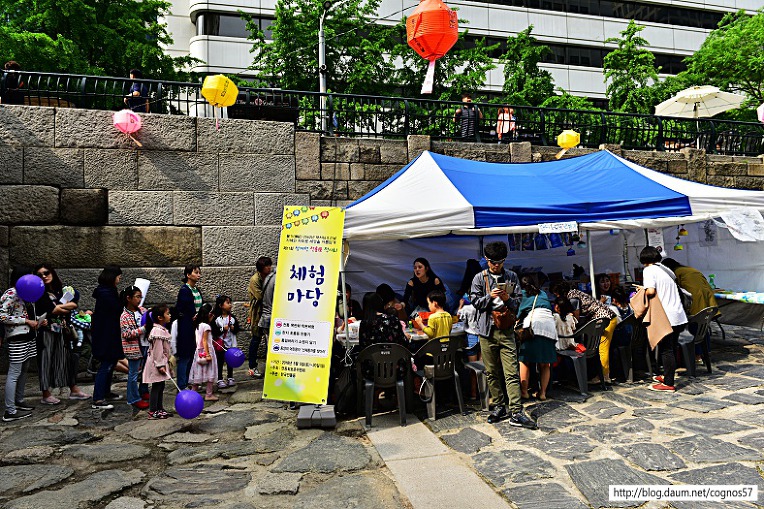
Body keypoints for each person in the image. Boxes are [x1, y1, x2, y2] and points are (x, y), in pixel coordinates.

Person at [469, 241, 536, 428]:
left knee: (511, 372)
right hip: (486, 331)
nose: (495, 265)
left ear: (504, 260)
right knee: (491, 372)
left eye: (499, 262)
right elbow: (474, 301)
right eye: (492, 262)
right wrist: (489, 297)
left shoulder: (512, 276)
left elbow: (519, 303)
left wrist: (507, 298)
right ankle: (499, 406)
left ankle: (516, 411)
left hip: (506, 330)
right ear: (486, 259)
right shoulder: (479, 278)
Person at [33, 263, 90, 404]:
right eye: (40, 275)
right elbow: (53, 310)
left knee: (65, 360)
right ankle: (46, 394)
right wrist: (61, 307)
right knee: (45, 361)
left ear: (52, 273)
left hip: (62, 330)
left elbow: (73, 305)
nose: (44, 276)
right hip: (46, 331)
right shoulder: (39, 292)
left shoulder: (60, 290)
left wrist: (59, 307)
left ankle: (73, 389)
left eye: (46, 273)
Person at [550, 280, 618, 384]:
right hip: (606, 317)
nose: (557, 296)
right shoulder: (575, 293)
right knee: (601, 347)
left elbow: (576, 317)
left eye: (556, 294)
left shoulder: (572, 298)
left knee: (602, 347)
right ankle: (602, 375)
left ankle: (604, 376)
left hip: (606, 318)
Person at [640, 247, 687, 392]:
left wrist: (641, 291)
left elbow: (651, 291)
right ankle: (667, 375)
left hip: (666, 316)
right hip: (678, 314)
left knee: (667, 350)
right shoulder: (666, 270)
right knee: (671, 347)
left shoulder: (649, 270)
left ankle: (668, 383)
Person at [1, 267, 40, 421]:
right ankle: (10, 411)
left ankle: (19, 400)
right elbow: (2, 316)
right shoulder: (11, 293)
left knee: (24, 370)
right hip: (17, 337)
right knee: (14, 372)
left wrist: (37, 321)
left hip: (28, 336)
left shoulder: (26, 294)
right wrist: (26, 321)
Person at [516, 276, 558, 401]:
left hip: (534, 327)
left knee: (524, 360)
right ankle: (543, 393)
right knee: (545, 364)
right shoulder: (543, 293)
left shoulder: (523, 294)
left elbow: (518, 314)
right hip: (549, 327)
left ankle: (524, 392)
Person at [91, 266, 125, 410]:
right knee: (105, 365)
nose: (119, 279)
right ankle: (98, 398)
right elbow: (116, 309)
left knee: (111, 363)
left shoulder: (108, 291)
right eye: (118, 276)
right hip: (105, 334)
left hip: (109, 332)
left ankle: (106, 392)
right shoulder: (106, 293)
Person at [120, 286, 149, 412]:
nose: (139, 299)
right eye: (137, 297)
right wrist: (143, 329)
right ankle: (133, 398)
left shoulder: (142, 310)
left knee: (145, 371)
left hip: (145, 344)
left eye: (140, 297)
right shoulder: (124, 316)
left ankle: (144, 390)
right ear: (129, 298)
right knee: (133, 374)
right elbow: (126, 334)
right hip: (133, 348)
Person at [143, 304, 173, 420]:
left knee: (161, 385)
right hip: (156, 363)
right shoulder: (157, 331)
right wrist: (160, 365)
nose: (170, 315)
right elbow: (157, 350)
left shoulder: (161, 330)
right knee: (156, 386)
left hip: (161, 361)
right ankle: (153, 410)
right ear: (160, 317)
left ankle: (160, 408)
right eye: (167, 314)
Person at [176, 265, 202, 390]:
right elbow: (182, 309)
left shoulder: (196, 289)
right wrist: (191, 315)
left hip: (195, 326)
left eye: (199, 272)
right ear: (188, 275)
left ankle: (189, 380)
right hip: (186, 326)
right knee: (185, 356)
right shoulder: (184, 290)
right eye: (196, 272)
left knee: (192, 354)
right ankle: (182, 384)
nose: (198, 275)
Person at [247, 256, 272, 379]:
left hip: (269, 312)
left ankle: (271, 367)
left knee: (270, 341)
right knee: (256, 340)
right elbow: (260, 296)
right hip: (258, 313)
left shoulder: (271, 276)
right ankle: (252, 367)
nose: (270, 268)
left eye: (270, 265)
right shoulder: (255, 280)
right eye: (267, 266)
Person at [189, 303, 219, 401]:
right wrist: (208, 354)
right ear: (209, 314)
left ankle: (193, 393)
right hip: (207, 350)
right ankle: (208, 394)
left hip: (198, 352)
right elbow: (204, 341)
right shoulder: (207, 326)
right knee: (210, 372)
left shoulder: (198, 325)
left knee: (198, 372)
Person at [212, 294, 240, 389]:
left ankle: (230, 377)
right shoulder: (216, 319)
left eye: (230, 303)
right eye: (227, 303)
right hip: (220, 344)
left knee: (230, 360)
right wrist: (222, 329)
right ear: (220, 305)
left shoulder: (232, 318)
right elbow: (214, 331)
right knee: (220, 361)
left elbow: (237, 329)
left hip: (230, 343)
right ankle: (219, 379)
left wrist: (233, 328)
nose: (230, 305)